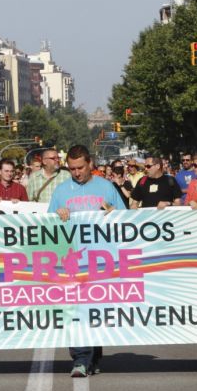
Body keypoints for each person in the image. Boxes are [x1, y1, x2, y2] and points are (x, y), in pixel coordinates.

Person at [50, 145, 121, 377]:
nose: (77, 173)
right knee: (76, 311)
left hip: (101, 260)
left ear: (90, 163)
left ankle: (93, 357)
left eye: (80, 168)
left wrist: (113, 212)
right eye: (72, 169)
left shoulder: (106, 187)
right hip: (72, 261)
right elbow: (46, 226)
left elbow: (125, 218)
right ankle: (80, 360)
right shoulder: (61, 191)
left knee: (95, 311)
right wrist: (57, 215)